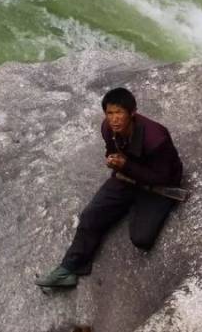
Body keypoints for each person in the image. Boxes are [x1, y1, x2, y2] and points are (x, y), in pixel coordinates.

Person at [36, 87, 183, 289]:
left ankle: (135, 205)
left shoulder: (155, 139)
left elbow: (164, 177)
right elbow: (111, 150)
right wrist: (115, 162)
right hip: (128, 177)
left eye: (119, 113)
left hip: (160, 184)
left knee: (142, 239)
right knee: (91, 215)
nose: (114, 119)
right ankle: (68, 270)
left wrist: (126, 166)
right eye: (110, 113)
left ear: (132, 113)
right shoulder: (108, 129)